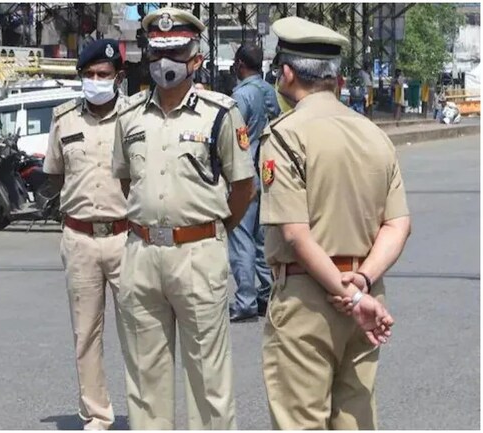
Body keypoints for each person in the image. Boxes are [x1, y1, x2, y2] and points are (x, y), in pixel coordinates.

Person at [259, 16, 409, 429]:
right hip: (366, 291)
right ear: (335, 77)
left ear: (286, 74)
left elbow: (294, 232)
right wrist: (361, 284)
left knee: (301, 421)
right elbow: (398, 224)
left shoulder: (286, 135)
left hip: (309, 296)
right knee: (355, 418)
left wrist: (349, 295)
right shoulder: (374, 134)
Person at [112, 7, 255, 429]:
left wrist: (212, 231)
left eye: (176, 52)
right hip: (141, 254)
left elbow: (242, 187)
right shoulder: (130, 115)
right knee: (144, 375)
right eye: (157, 53)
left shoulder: (220, 113)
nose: (165, 63)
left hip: (199, 253)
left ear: (197, 58)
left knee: (209, 378)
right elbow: (126, 183)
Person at [44, 38, 128, 431]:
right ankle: (96, 414)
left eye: (104, 75)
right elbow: (55, 172)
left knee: (141, 331)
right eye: (90, 75)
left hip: (127, 237)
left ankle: (148, 413)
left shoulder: (135, 117)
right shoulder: (64, 119)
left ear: (118, 78)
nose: (96, 81)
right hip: (79, 238)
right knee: (86, 333)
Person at [227, 44, 280, 322]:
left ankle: (245, 299)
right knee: (261, 238)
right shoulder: (268, 91)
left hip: (245, 171)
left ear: (239, 64)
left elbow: (232, 136)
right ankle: (267, 293)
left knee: (240, 236)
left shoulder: (241, 95)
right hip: (267, 171)